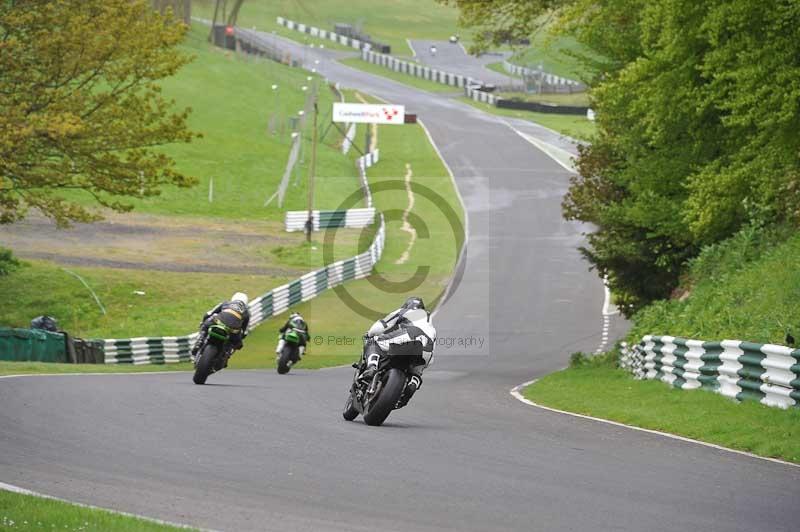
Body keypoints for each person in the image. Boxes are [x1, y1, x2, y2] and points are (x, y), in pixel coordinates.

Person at [360, 296, 436, 405]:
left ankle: (372, 367)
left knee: (374, 342)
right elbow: (431, 356)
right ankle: (413, 383)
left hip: (410, 336)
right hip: (427, 347)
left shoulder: (405, 311)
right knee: (417, 371)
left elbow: (382, 325)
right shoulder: (430, 324)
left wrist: (370, 333)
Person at [191, 292, 250, 365]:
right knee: (237, 344)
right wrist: (239, 341)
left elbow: (209, 313)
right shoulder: (246, 312)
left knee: (205, 326)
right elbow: (245, 331)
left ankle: (199, 342)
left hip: (218, 321)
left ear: (233, 298)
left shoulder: (225, 303)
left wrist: (203, 322)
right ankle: (226, 356)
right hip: (233, 329)